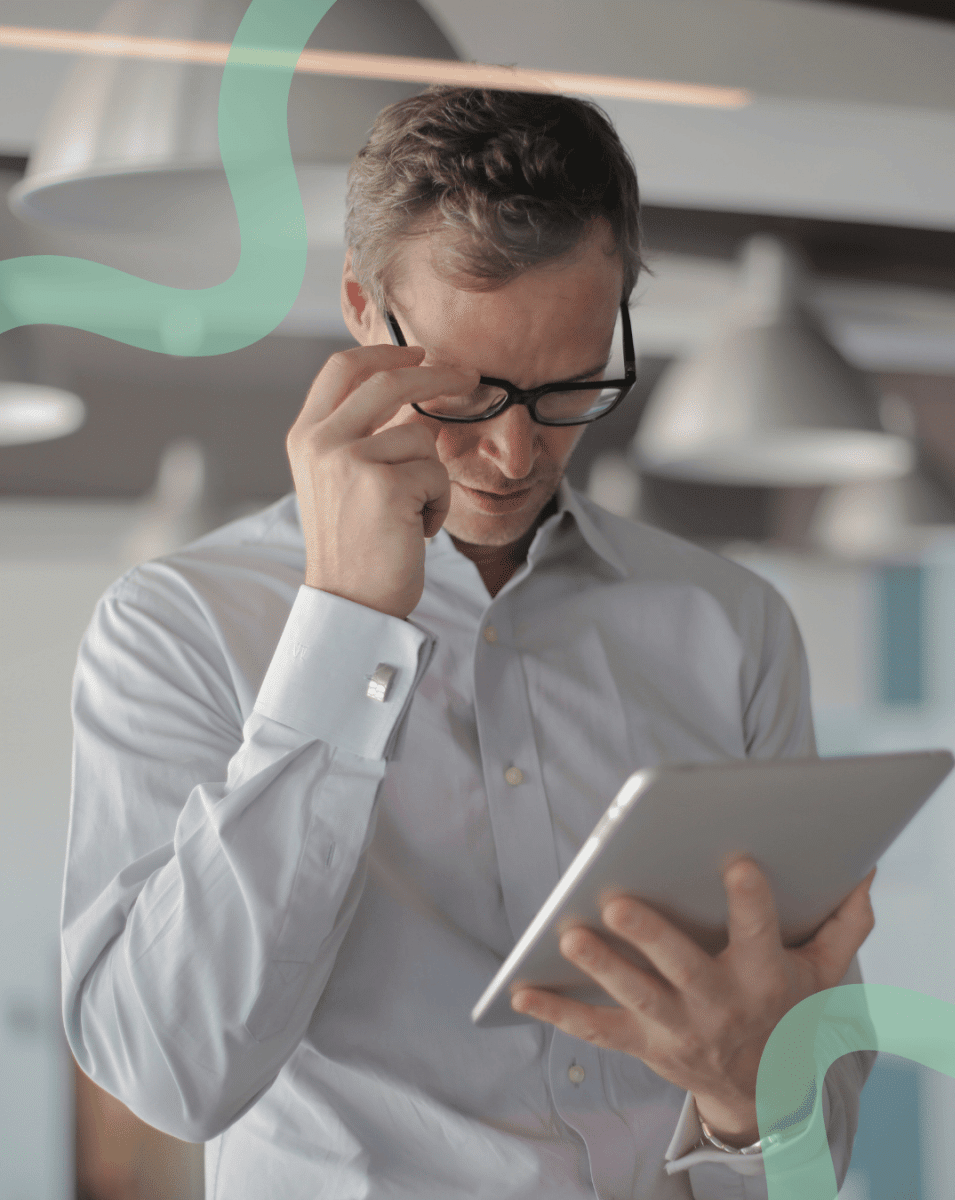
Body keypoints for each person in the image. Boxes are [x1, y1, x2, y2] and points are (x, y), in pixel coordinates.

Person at [62, 87, 875, 1200]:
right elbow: (170, 1076)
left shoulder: (732, 628)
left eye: (568, 386)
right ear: (362, 307)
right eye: (466, 388)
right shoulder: (177, 628)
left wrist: (749, 1108)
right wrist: (346, 628)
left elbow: (814, 1137)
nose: (510, 451)